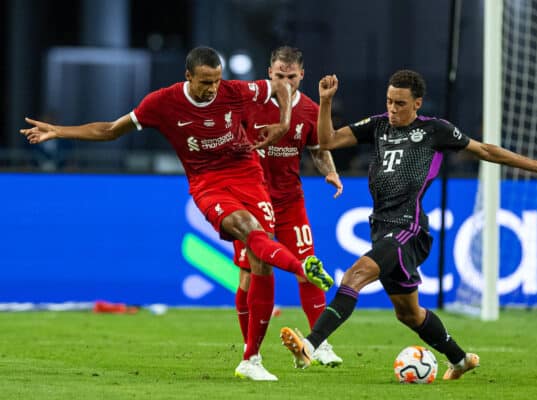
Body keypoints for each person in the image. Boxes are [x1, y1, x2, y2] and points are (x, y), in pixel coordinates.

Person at [20, 46, 334, 382]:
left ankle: (250, 359)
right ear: (188, 76)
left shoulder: (235, 91)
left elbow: (282, 88)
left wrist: (283, 123)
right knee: (248, 229)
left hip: (248, 175)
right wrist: (59, 131)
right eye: (204, 82)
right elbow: (111, 129)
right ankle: (299, 270)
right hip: (208, 184)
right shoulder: (162, 102)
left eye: (215, 81)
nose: (211, 89)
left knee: (260, 261)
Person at [280, 70, 537, 379]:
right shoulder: (377, 126)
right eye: (389, 101)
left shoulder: (434, 131)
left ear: (417, 103)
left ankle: (310, 346)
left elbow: (484, 150)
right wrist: (325, 102)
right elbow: (327, 140)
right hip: (381, 227)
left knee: (354, 276)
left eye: (400, 104)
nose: (392, 109)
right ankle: (460, 360)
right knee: (408, 313)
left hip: (409, 228)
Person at [232, 46, 344, 370]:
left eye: (291, 77)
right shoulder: (249, 103)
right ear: (269, 73)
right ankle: (250, 347)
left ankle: (319, 344)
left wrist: (332, 172)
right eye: (279, 75)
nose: (284, 81)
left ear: (301, 76)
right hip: (252, 202)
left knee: (308, 267)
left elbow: (318, 151)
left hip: (289, 200)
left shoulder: (308, 110)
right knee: (250, 276)